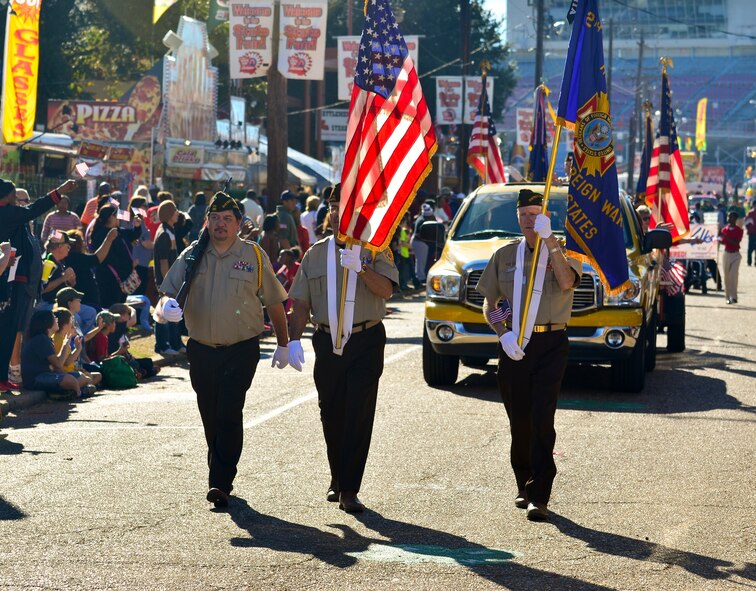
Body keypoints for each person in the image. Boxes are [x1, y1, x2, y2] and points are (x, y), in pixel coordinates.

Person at [157, 192, 292, 509]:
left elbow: (273, 300)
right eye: (215, 218)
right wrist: (165, 310)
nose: (220, 224)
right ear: (207, 222)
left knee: (229, 410)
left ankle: (220, 480)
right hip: (201, 349)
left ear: (238, 223)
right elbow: (165, 295)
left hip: (240, 349)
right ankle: (219, 470)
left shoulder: (253, 255)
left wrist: (286, 343)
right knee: (210, 413)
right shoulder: (192, 255)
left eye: (227, 219)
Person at [287, 184, 399, 513]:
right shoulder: (315, 254)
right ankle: (337, 476)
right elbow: (301, 302)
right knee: (331, 413)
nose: (337, 213)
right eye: (333, 207)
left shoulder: (375, 249)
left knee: (358, 414)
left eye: (344, 207)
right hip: (326, 341)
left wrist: (361, 267)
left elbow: (387, 291)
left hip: (365, 339)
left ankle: (350, 489)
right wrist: (292, 339)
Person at [475, 189, 582, 522]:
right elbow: (489, 303)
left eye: (535, 214)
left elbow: (566, 283)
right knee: (518, 420)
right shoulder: (506, 256)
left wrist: (551, 243)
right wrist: (502, 333)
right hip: (514, 345)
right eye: (524, 215)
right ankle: (523, 483)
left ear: (545, 217)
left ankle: (540, 495)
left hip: (551, 344)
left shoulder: (564, 252)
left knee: (541, 418)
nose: (529, 221)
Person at [0, 179, 77, 391]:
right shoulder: (7, 213)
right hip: (10, 281)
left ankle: (3, 377)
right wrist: (59, 192)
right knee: (6, 330)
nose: (17, 202)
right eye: (14, 197)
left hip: (16, 279)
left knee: (9, 330)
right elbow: (34, 209)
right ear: (7, 197)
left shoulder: (10, 214)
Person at [21, 310, 94, 400]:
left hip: (47, 374)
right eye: (54, 318)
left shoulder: (46, 339)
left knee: (82, 377)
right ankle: (77, 393)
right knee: (70, 380)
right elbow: (58, 364)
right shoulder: (41, 339)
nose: (57, 320)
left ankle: (67, 392)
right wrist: (64, 345)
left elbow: (57, 365)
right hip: (35, 379)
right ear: (47, 322)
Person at [89, 205, 143, 308]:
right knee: (111, 308)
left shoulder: (118, 231)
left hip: (121, 278)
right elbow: (108, 258)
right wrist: (128, 265)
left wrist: (137, 227)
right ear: (110, 217)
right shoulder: (100, 234)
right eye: (116, 215)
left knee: (121, 308)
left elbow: (132, 235)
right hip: (109, 279)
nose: (118, 218)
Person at [152, 200, 185, 355]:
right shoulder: (164, 234)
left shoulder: (169, 230)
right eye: (175, 210)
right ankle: (162, 345)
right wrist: (167, 283)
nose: (177, 213)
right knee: (163, 314)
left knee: (173, 312)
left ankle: (176, 343)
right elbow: (163, 261)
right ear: (169, 214)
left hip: (171, 281)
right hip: (166, 281)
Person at [410, 201, 438, 284]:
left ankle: (420, 277)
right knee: (420, 262)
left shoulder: (421, 218)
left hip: (420, 242)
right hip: (419, 242)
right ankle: (420, 278)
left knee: (420, 261)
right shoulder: (422, 220)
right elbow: (419, 234)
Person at [720, 211, 743, 304]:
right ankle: (727, 296)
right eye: (728, 217)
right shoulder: (724, 229)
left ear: (735, 219)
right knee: (726, 276)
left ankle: (734, 297)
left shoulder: (739, 230)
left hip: (735, 255)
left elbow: (736, 242)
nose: (729, 219)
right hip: (726, 254)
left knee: (733, 276)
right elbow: (723, 242)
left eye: (731, 217)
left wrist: (725, 236)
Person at [745, 201, 756, 266]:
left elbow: (746, 223)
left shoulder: (750, 213)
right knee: (750, 249)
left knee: (750, 249)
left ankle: (749, 262)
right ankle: (752, 262)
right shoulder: (750, 213)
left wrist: (748, 229)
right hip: (752, 233)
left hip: (751, 233)